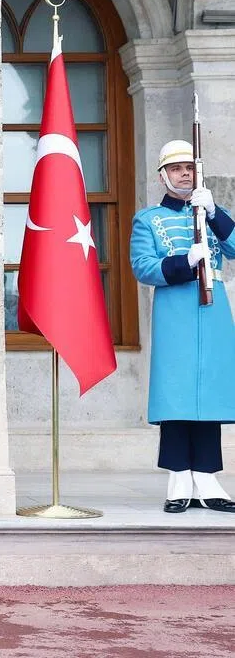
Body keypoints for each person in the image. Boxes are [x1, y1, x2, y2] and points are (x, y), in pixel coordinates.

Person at [131, 139, 235, 513]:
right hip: (176, 308)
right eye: (176, 169)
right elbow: (143, 266)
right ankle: (179, 477)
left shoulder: (209, 212)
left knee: (208, 392)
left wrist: (216, 214)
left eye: (189, 168)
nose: (184, 174)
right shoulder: (147, 219)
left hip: (213, 309)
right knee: (176, 393)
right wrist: (182, 262)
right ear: (163, 176)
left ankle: (207, 477)